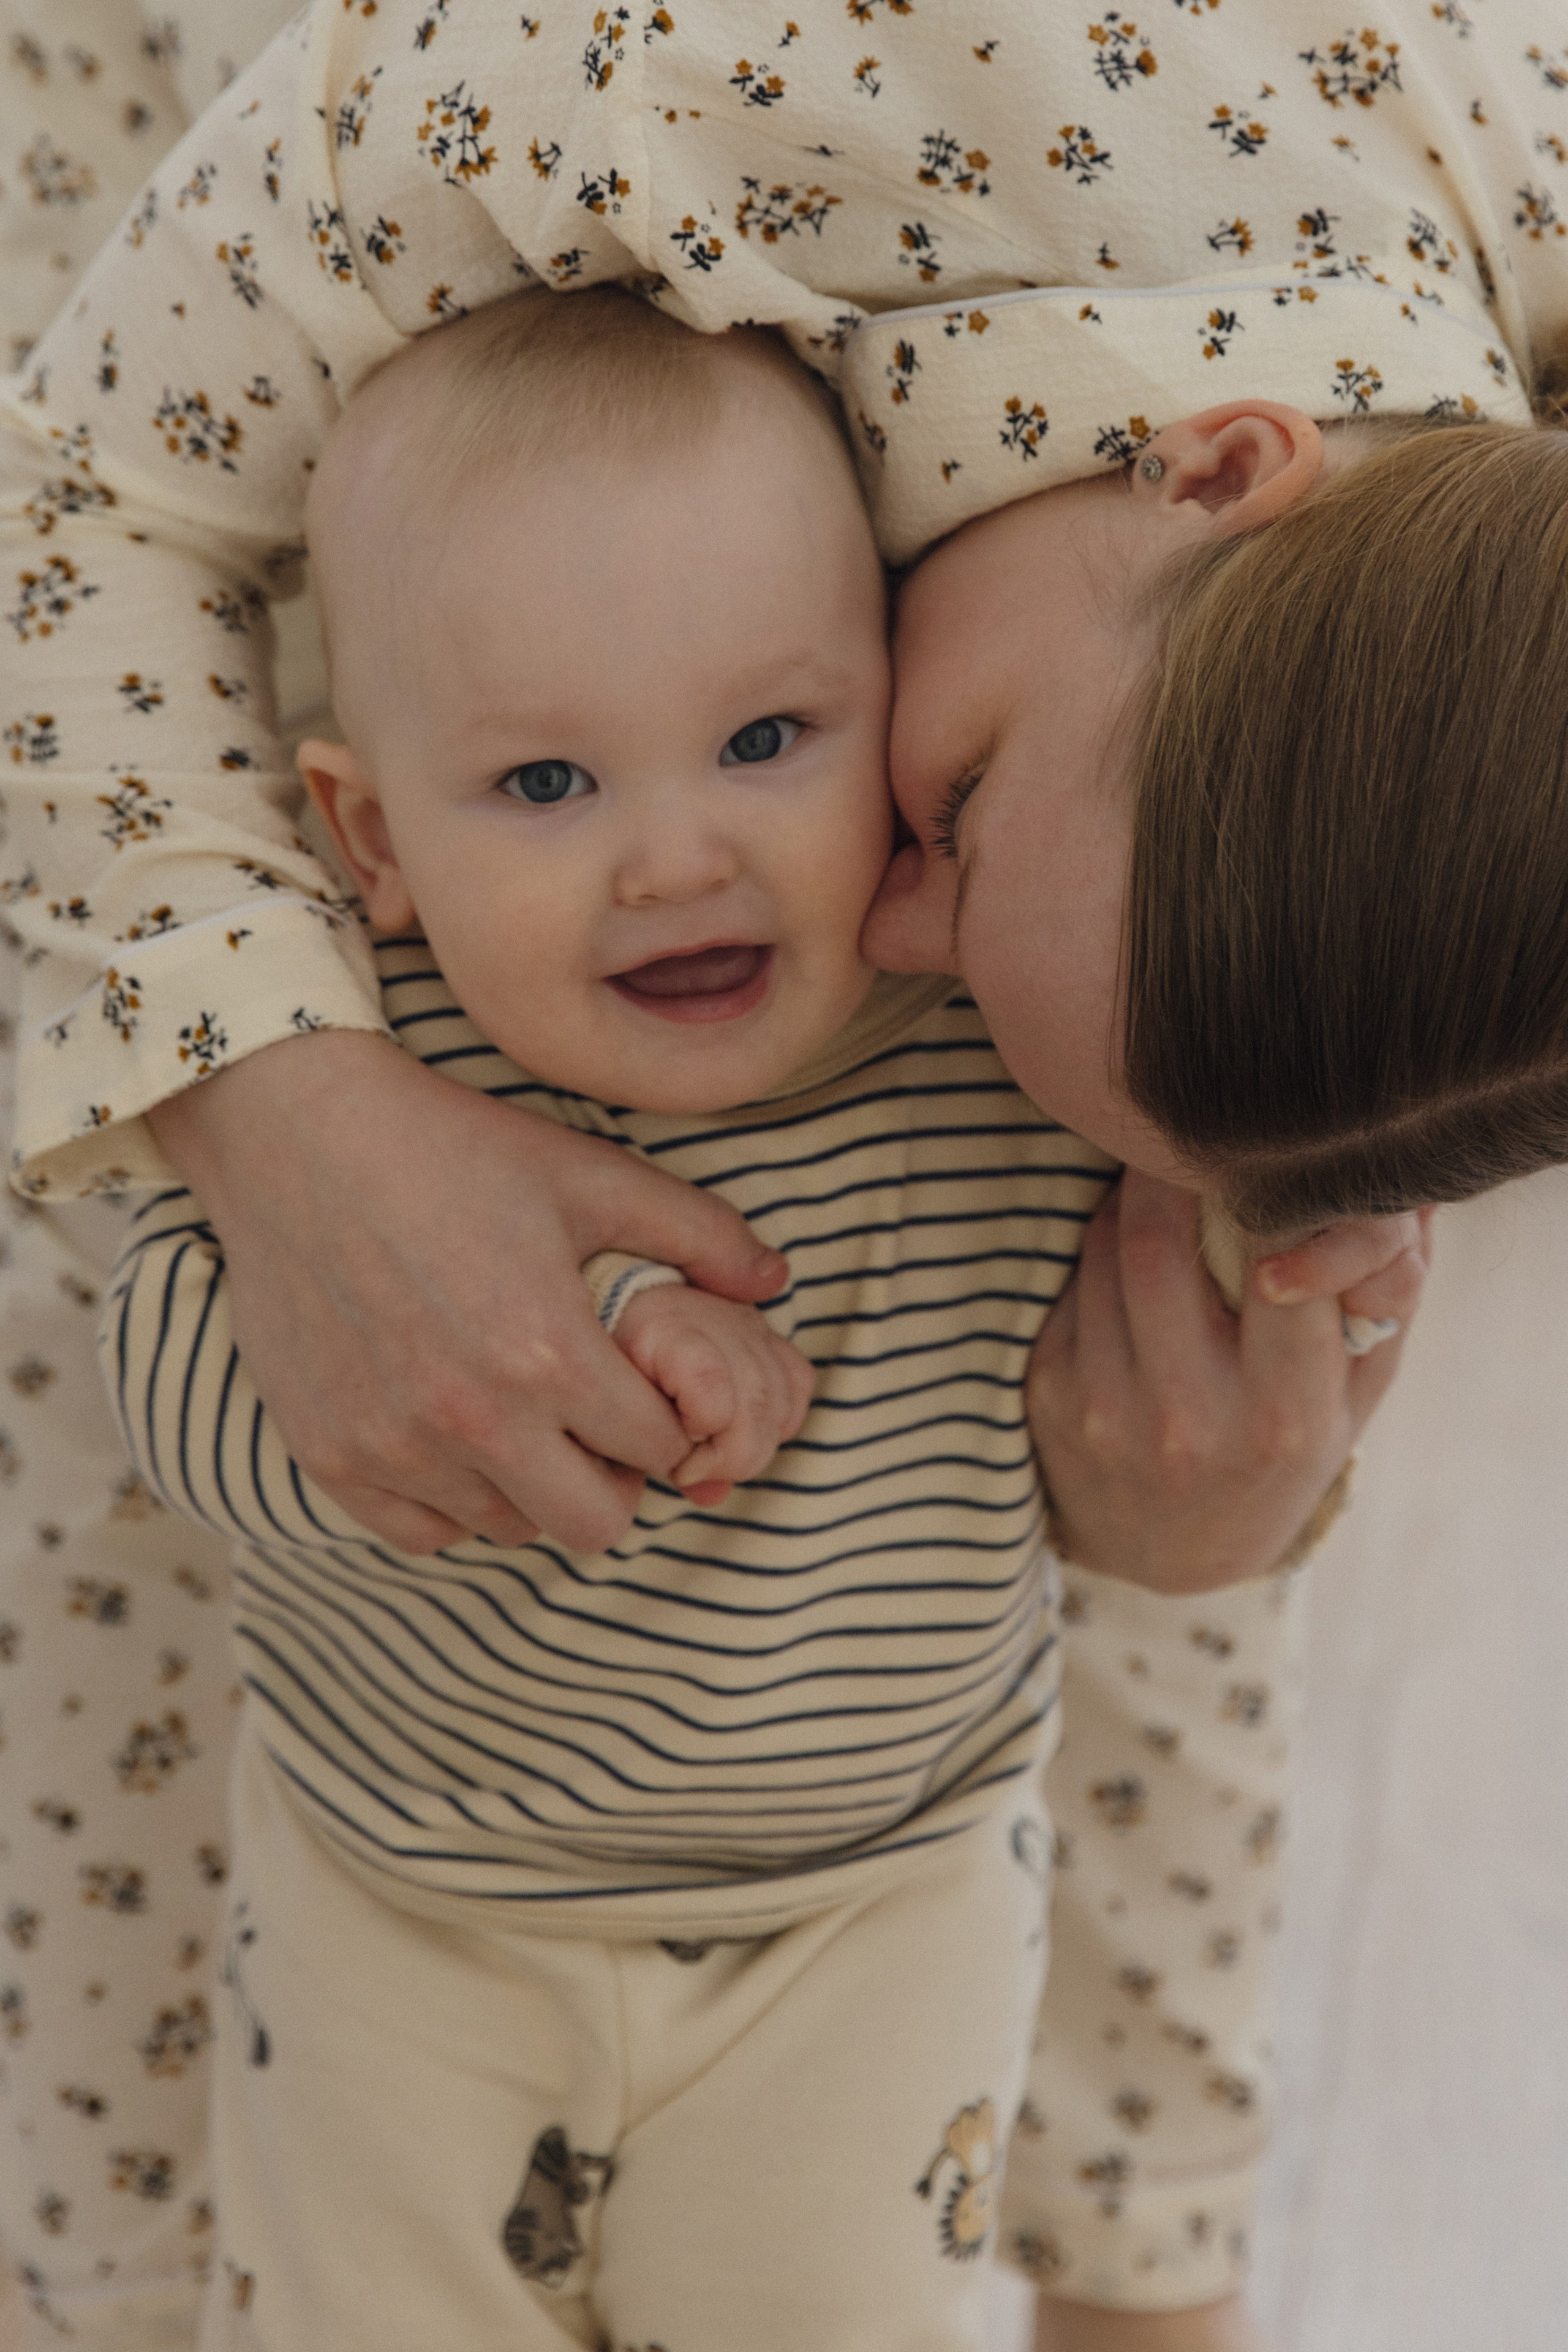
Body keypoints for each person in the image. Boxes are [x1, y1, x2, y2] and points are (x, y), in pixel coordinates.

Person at [102, 282, 1382, 2352]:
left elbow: (1221, 1322)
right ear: (367, 836)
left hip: (872, 1920)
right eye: (540, 785)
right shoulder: (364, 1072)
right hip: (406, 1913)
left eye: (768, 740)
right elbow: (183, 1391)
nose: (673, 854)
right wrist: (599, 1324)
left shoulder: (988, 1034)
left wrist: (1328, 1246)